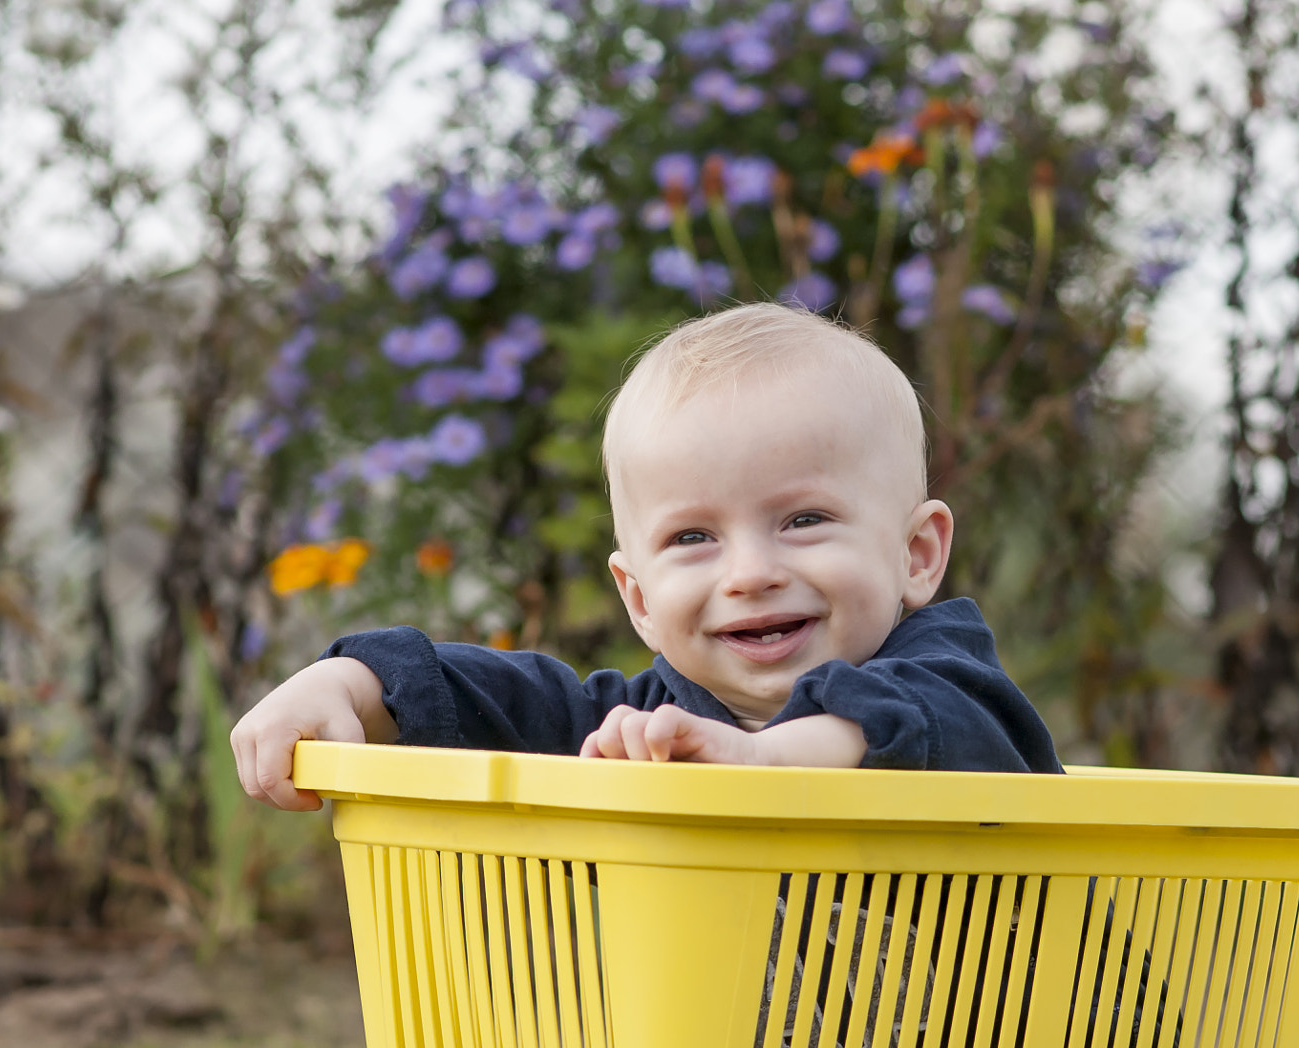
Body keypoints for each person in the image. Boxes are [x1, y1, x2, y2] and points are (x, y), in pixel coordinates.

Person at [231, 301, 1061, 809]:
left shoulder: (951, 679)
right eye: (693, 539)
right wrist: (346, 683)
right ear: (636, 597)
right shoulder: (649, 729)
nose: (749, 573)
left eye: (804, 519)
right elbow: (500, 701)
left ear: (917, 555)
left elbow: (916, 724)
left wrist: (766, 758)